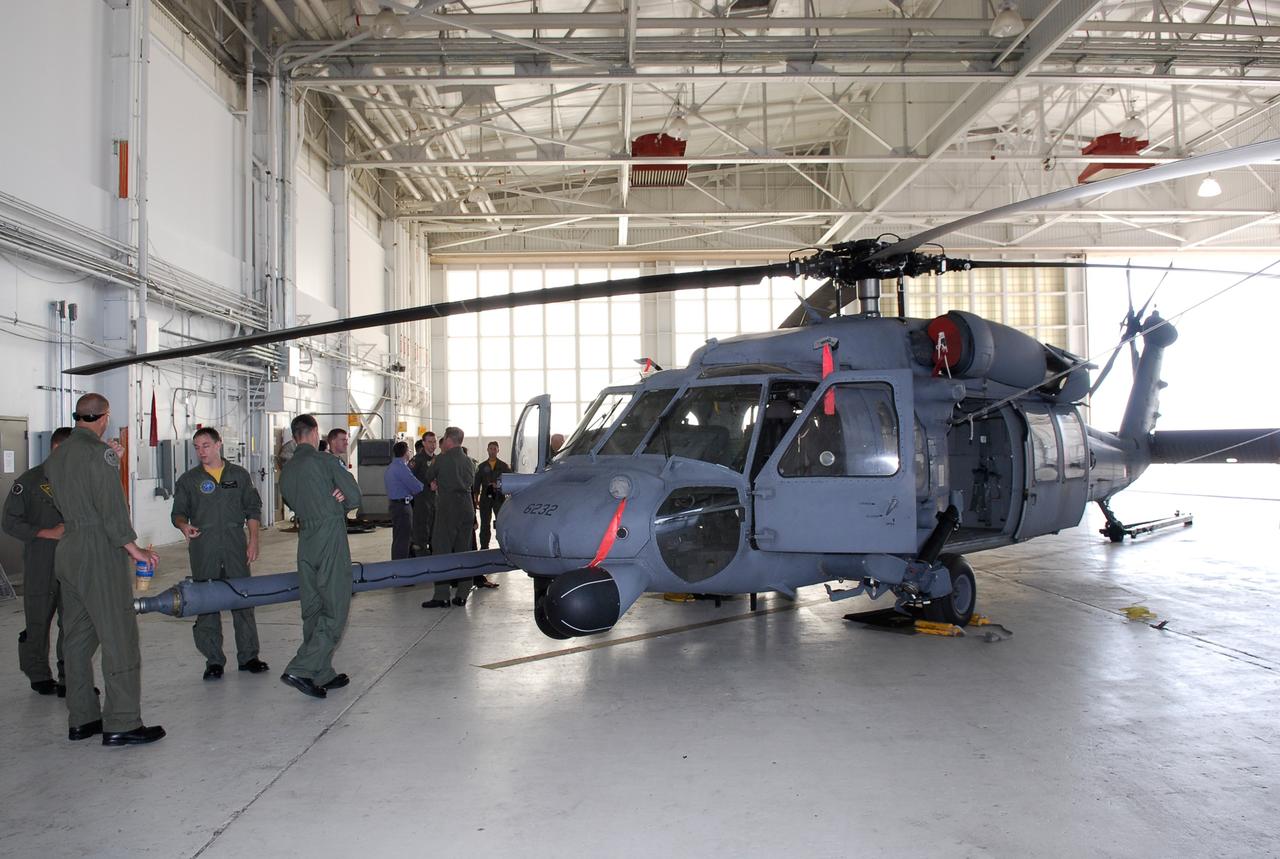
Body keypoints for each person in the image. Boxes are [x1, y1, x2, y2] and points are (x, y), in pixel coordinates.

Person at [45, 394, 164, 746]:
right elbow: (111, 510)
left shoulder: (58, 455)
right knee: (119, 636)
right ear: (105, 417)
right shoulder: (101, 455)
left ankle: (82, 718)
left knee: (78, 638)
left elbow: (69, 496)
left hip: (68, 550)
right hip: (98, 551)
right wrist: (135, 549)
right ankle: (123, 722)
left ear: (78, 416)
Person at [171, 427, 268, 681]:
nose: (201, 451)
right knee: (207, 604)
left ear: (218, 445)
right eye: (197, 447)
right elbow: (178, 512)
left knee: (243, 599)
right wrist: (183, 525)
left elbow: (253, 508)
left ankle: (249, 656)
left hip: (235, 546)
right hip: (204, 549)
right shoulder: (189, 480)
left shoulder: (238, 475)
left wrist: (253, 540)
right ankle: (213, 660)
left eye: (205, 445)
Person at [278, 414, 361, 698]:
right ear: (314, 433)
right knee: (335, 606)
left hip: (306, 540)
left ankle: (321, 672)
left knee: (313, 606)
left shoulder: (286, 471)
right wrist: (337, 500)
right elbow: (354, 496)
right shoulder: (326, 462)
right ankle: (302, 667)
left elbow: (291, 501)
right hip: (329, 537)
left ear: (294, 435)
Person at [3, 426, 71, 696]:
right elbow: (9, 522)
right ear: (57, 449)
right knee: (38, 621)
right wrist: (46, 532)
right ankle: (38, 673)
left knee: (73, 622)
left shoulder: (80, 480)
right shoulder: (29, 482)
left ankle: (71, 676)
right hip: (41, 561)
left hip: (75, 562)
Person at [421, 427, 477, 608]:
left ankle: (442, 594)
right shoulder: (470, 461)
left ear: (449, 440)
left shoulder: (442, 459)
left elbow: (429, 476)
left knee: (442, 550)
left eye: (443, 439)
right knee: (464, 550)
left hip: (448, 508)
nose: (441, 442)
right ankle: (462, 593)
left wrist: (436, 481)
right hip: (467, 508)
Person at [471, 441, 509, 589]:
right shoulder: (481, 467)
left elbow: (510, 481)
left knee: (500, 523)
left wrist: (499, 486)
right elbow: (476, 485)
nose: (492, 451)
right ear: (487, 450)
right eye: (490, 448)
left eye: (495, 448)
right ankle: (485, 548)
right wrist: (476, 499)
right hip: (486, 499)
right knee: (485, 524)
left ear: (498, 450)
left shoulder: (503, 466)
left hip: (499, 498)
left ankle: (503, 549)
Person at [383, 440, 422, 561]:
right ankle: (400, 568)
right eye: (409, 450)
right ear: (405, 453)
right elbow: (417, 487)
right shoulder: (401, 468)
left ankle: (397, 564)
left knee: (399, 537)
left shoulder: (392, 466)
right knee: (403, 539)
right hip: (402, 507)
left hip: (395, 505)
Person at [408, 431, 437, 556]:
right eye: (430, 442)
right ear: (424, 443)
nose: (432, 445)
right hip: (422, 500)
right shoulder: (418, 459)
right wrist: (424, 485)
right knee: (421, 531)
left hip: (436, 501)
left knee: (434, 530)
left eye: (434, 442)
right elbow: (408, 477)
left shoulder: (438, 459)